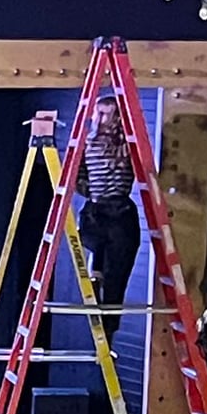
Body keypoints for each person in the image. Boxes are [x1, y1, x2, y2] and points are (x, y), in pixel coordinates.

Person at [76, 105, 141, 309]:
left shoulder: (92, 143)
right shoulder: (128, 145)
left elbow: (78, 177)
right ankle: (99, 281)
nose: (95, 117)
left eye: (102, 113)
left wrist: (93, 190)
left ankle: (96, 275)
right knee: (116, 270)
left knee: (110, 256)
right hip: (111, 210)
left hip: (108, 210)